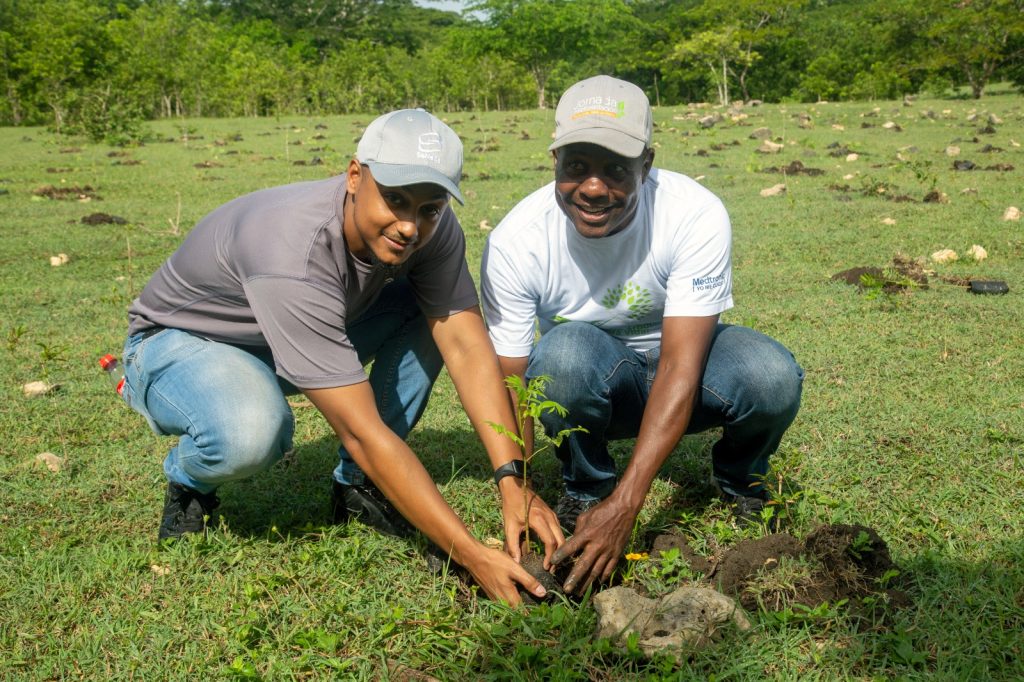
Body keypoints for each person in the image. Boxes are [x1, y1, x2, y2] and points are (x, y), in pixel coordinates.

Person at [120, 108, 564, 605]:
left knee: (434, 314)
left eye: (429, 207)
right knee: (252, 432)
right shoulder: (291, 248)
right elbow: (360, 429)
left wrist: (513, 481)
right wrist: (468, 552)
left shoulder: (433, 230)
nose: (409, 225)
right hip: (187, 343)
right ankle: (189, 480)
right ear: (355, 175)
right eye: (394, 199)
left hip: (301, 329)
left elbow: (463, 342)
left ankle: (357, 486)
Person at [480, 76, 804, 595]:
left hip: (684, 373)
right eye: (577, 166)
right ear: (555, 161)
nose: (592, 187)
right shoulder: (516, 241)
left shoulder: (692, 212)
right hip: (594, 381)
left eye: (615, 169)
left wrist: (630, 504)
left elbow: (681, 365)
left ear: (646, 165)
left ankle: (743, 480)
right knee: (559, 356)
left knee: (770, 375)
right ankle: (586, 489)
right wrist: (519, 488)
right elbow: (514, 383)